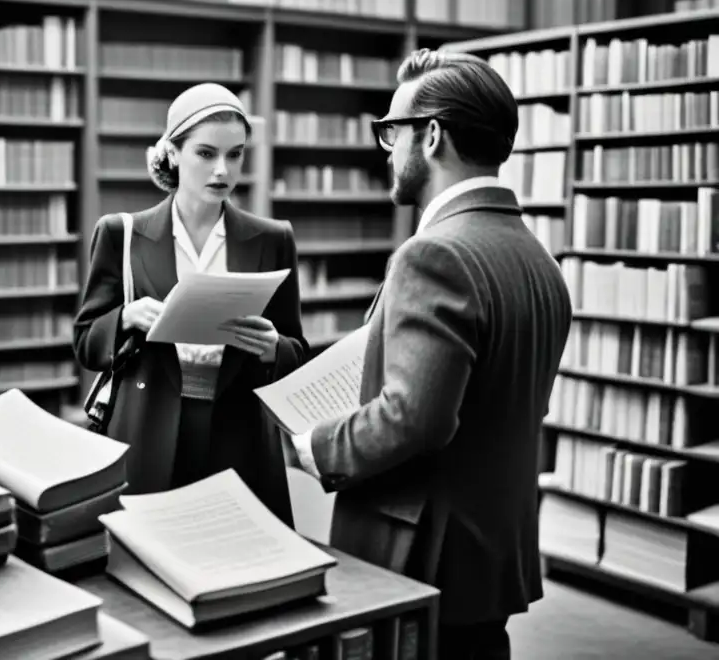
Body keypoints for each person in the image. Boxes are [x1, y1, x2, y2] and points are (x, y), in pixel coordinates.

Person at [289, 49, 573, 660]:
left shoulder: (434, 255)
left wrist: (315, 445)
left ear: (433, 134)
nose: (387, 149)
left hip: (422, 556)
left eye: (392, 130)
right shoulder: (539, 261)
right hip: (489, 558)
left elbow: (414, 417)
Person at [73, 82, 308, 525]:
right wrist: (124, 317)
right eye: (205, 153)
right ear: (173, 152)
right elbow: (86, 342)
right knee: (145, 569)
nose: (222, 170)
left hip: (239, 435)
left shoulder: (274, 239)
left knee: (239, 568)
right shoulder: (121, 234)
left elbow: (297, 350)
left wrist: (274, 346)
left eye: (235, 154)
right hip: (147, 429)